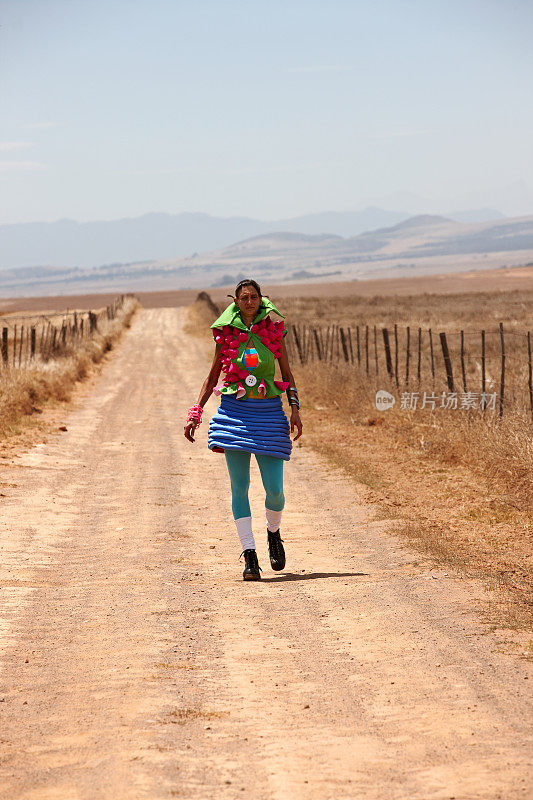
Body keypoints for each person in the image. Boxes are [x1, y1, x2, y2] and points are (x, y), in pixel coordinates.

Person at [184, 279, 303, 580]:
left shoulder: (274, 333)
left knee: (275, 490)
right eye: (244, 297)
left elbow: (287, 374)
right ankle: (250, 556)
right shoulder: (226, 337)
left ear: (261, 299)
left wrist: (295, 410)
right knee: (240, 488)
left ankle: (273, 533)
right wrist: (195, 413)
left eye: (254, 297)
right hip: (234, 414)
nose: (249, 302)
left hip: (268, 415)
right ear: (235, 302)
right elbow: (212, 377)